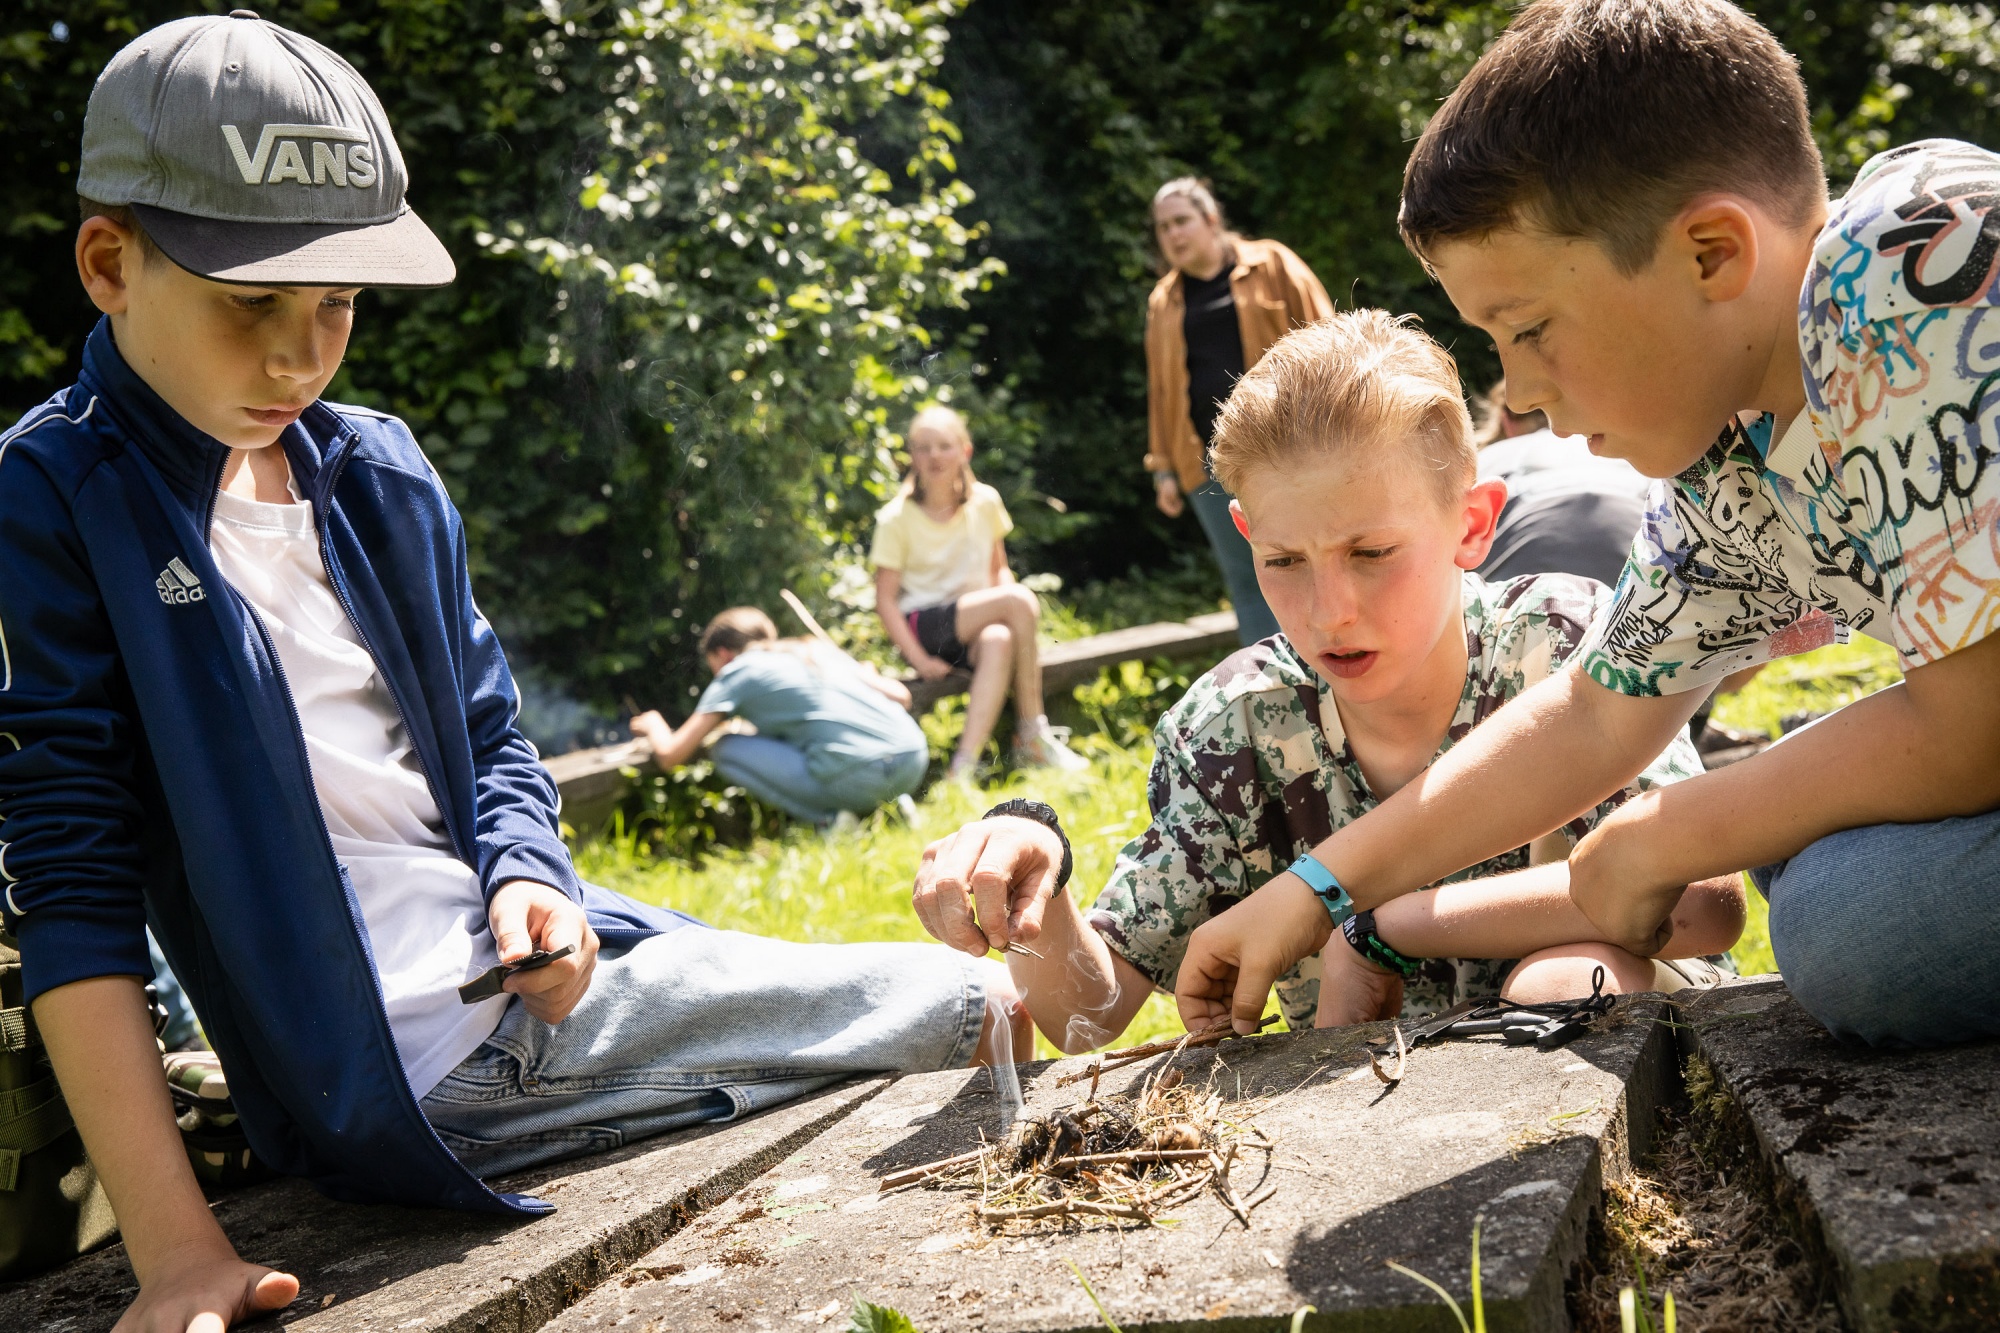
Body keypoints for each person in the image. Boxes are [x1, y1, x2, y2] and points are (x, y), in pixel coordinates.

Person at [0, 17, 1023, 1330]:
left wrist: (530, 873)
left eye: (338, 303)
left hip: (549, 994)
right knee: (981, 1005)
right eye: (250, 301)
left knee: (963, 1003)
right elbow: (70, 878)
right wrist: (175, 1251)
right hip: (423, 1072)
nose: (299, 356)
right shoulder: (57, 494)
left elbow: (491, 746)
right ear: (108, 262)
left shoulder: (379, 470)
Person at [1172, 0, 2000, 1051]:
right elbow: (1600, 712)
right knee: (1811, 860)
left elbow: (1976, 724)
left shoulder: (1898, 262)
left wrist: (1675, 826)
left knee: (1853, 926)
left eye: (1529, 330)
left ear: (1709, 254)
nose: (1518, 393)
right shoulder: (1728, 458)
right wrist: (1317, 886)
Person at [908, 313, 1742, 1052]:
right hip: (1346, 1157)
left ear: (1472, 522)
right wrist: (1033, 861)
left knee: (1561, 984)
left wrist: (1383, 928)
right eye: (1282, 562)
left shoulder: (1561, 643)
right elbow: (1085, 1017)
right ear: (1246, 537)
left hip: (1606, 1072)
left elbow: (1704, 902)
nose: (1330, 612)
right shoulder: (1233, 728)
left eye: (1371, 554)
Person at [1146, 178, 1333, 646]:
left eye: (1182, 220)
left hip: (1289, 449)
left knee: (1312, 565)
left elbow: (1332, 343)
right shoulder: (1163, 301)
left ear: (1211, 220)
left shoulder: (1272, 263)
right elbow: (1161, 390)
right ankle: (1271, 698)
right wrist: (1163, 468)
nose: (1173, 234)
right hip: (1206, 462)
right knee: (1250, 582)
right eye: (1163, 226)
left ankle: (1334, 679)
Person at [871, 404, 1087, 779]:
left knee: (1000, 638)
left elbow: (998, 569)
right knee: (1019, 599)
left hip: (973, 625)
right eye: (923, 448)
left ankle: (963, 769)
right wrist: (919, 661)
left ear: (964, 451)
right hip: (924, 626)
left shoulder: (985, 501)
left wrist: (1010, 613)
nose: (934, 456)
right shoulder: (896, 518)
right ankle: (1033, 733)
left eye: (944, 446)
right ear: (912, 457)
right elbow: (885, 601)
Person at [628, 607, 928, 825]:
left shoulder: (738, 671)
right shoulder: (810, 648)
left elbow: (670, 754)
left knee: (725, 747)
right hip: (914, 757)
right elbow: (901, 695)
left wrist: (655, 724)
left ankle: (832, 820)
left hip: (862, 775)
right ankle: (896, 806)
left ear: (723, 654)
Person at [1472, 379, 1653, 588]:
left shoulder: (1492, 457)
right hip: (1634, 572)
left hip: (1517, 580)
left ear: (1506, 420)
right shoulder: (1629, 457)